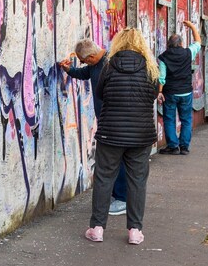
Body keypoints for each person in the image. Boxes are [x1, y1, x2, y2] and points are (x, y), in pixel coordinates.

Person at [85, 28, 159, 245]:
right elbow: (153, 95)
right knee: (137, 181)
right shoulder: (150, 68)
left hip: (111, 134)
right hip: (141, 135)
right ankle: (135, 231)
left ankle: (97, 228)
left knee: (103, 178)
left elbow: (100, 94)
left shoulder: (108, 66)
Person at [58, 40, 128, 216]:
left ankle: (122, 198)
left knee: (117, 159)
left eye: (83, 60)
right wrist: (68, 70)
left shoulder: (111, 63)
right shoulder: (95, 65)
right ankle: (117, 196)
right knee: (111, 160)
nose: (82, 63)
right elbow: (83, 73)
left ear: (90, 56)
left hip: (115, 121)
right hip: (106, 120)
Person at [157, 20, 202, 155]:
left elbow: (162, 77)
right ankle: (184, 147)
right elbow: (198, 42)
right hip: (185, 93)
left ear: (168, 44)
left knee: (169, 119)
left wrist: (159, 92)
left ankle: (173, 146)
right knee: (186, 119)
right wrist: (192, 26)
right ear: (181, 43)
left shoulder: (164, 57)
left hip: (170, 93)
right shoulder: (188, 53)